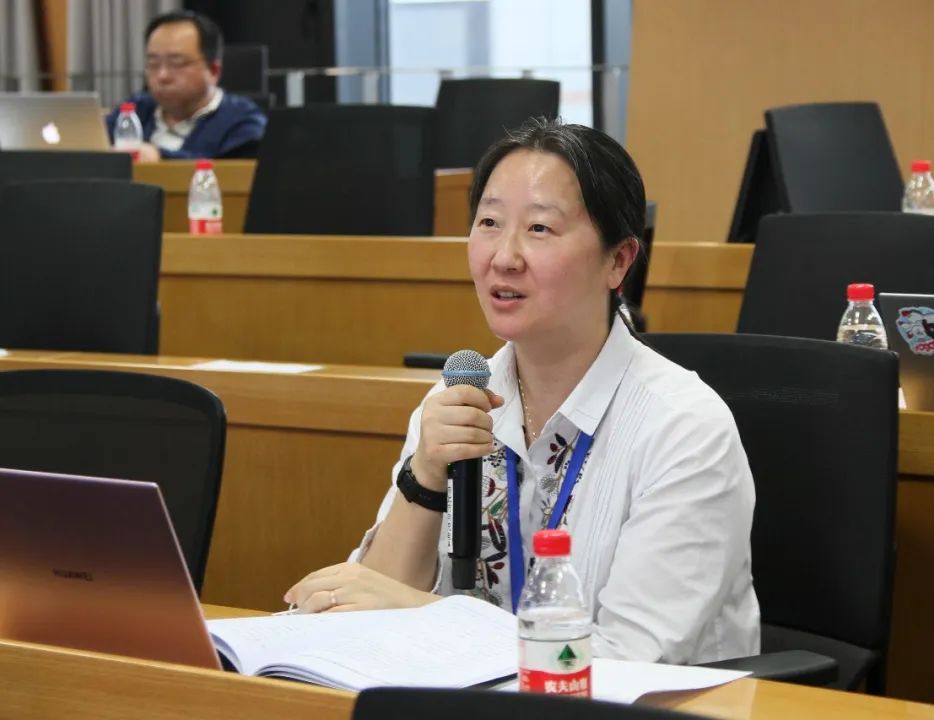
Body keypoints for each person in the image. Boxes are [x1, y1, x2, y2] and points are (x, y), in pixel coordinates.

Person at [285, 118, 760, 665]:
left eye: (539, 228)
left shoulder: (683, 428)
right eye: (488, 222)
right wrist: (425, 477)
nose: (504, 257)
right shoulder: (459, 399)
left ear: (618, 261)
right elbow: (367, 612)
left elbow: (626, 663)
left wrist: (425, 614)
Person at [104, 10, 266, 161]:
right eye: (153, 64)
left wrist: (160, 158)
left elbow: (230, 172)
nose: (163, 76)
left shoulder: (243, 122)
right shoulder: (134, 111)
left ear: (213, 70)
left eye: (177, 63)